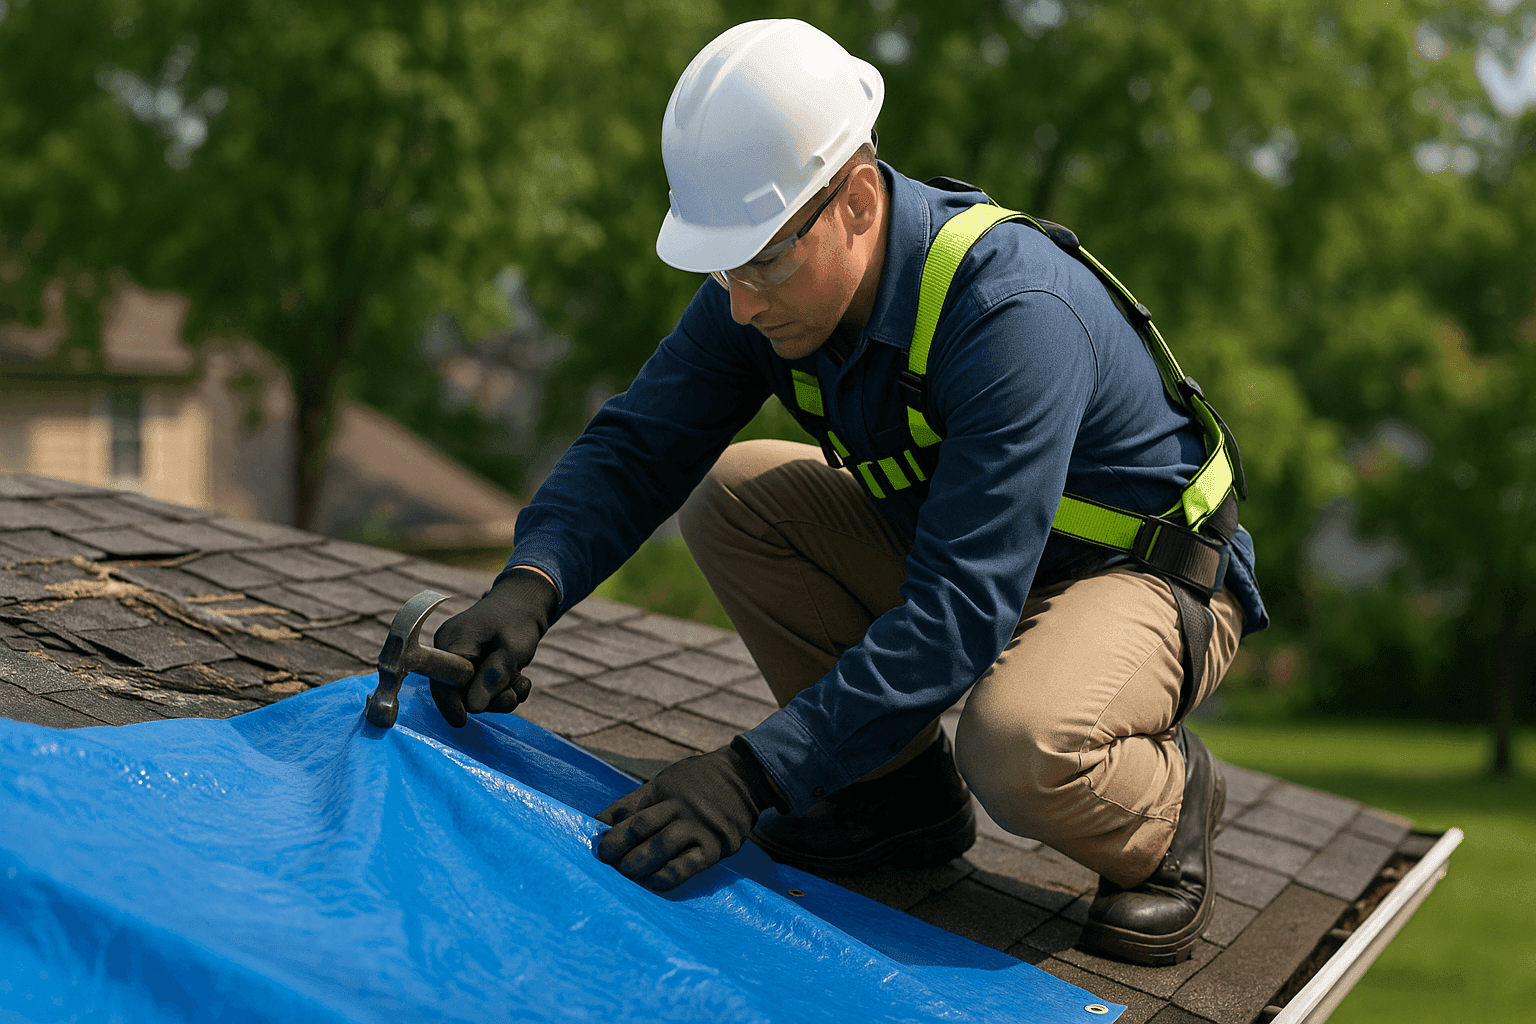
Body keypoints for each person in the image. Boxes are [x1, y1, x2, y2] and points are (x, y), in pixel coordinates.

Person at [431, 18, 1267, 967]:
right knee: (734, 494)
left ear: (858, 202)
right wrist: (530, 582)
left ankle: (1170, 809)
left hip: (1143, 578)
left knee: (1016, 741)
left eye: (763, 261)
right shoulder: (765, 283)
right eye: (724, 266)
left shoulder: (1010, 315)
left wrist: (753, 777)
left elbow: (957, 614)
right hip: (988, 558)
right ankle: (895, 799)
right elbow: (640, 444)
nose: (740, 301)